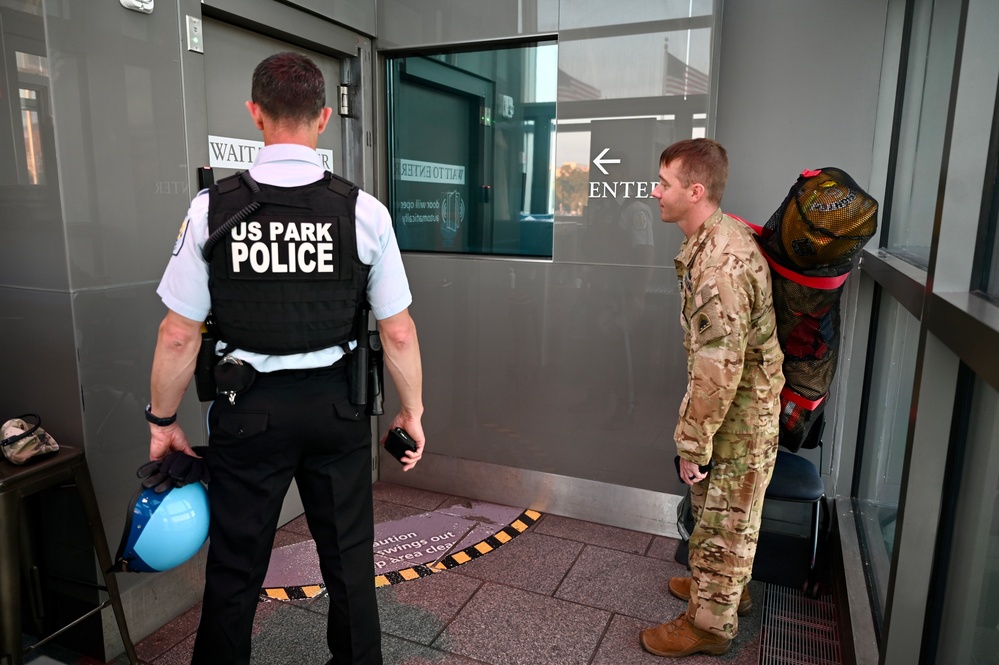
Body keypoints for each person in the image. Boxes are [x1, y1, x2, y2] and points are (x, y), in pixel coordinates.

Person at [145, 52, 424, 665]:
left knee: (237, 564)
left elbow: (177, 335)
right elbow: (398, 332)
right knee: (349, 557)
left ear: (255, 114)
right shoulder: (363, 210)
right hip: (338, 408)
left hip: (248, 412)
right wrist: (412, 412)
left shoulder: (210, 210)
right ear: (323, 118)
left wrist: (163, 424)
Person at [640, 138, 784, 657]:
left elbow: (717, 371)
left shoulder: (720, 265)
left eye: (664, 183)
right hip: (742, 410)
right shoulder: (716, 239)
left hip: (738, 418)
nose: (655, 193)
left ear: (694, 191)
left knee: (723, 523)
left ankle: (708, 626)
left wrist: (692, 445)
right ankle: (723, 592)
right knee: (725, 516)